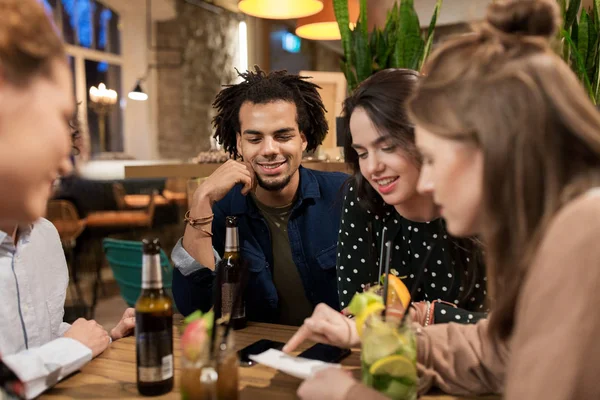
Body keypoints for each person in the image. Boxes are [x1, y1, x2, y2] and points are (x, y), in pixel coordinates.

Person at [287, 1, 600, 399]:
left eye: (431, 159)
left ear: (489, 146)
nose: (428, 183)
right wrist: (367, 333)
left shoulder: (583, 237)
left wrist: (352, 396)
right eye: (362, 153)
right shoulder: (555, 227)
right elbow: (501, 349)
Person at [0, 2, 134, 397]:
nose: (66, 157)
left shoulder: (43, 236)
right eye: (58, 119)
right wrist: (67, 351)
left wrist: (96, 339)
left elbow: (31, 341)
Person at [172, 67, 348, 326]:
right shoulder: (221, 209)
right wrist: (202, 199)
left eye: (283, 136)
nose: (269, 150)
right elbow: (195, 308)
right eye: (255, 138)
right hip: (258, 357)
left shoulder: (343, 195)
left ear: (302, 139)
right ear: (239, 143)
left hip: (337, 353)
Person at [336, 68, 487, 325]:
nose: (373, 168)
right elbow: (357, 310)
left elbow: (513, 329)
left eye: (388, 147)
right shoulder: (361, 195)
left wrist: (426, 314)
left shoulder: (476, 202)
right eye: (362, 153)